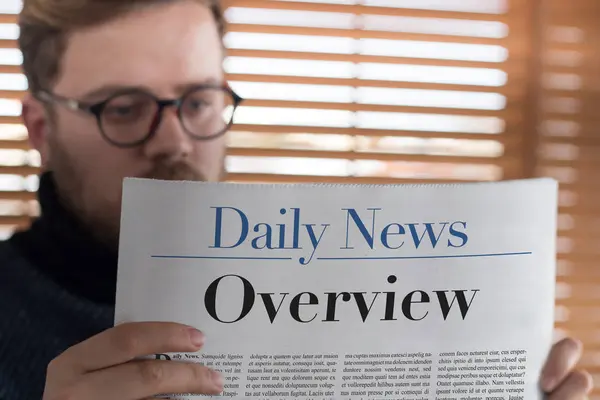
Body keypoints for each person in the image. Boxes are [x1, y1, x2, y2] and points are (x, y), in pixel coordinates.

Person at [0, 0, 593, 399]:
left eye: (200, 100)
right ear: (42, 131)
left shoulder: (334, 293)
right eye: (124, 109)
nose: (175, 141)